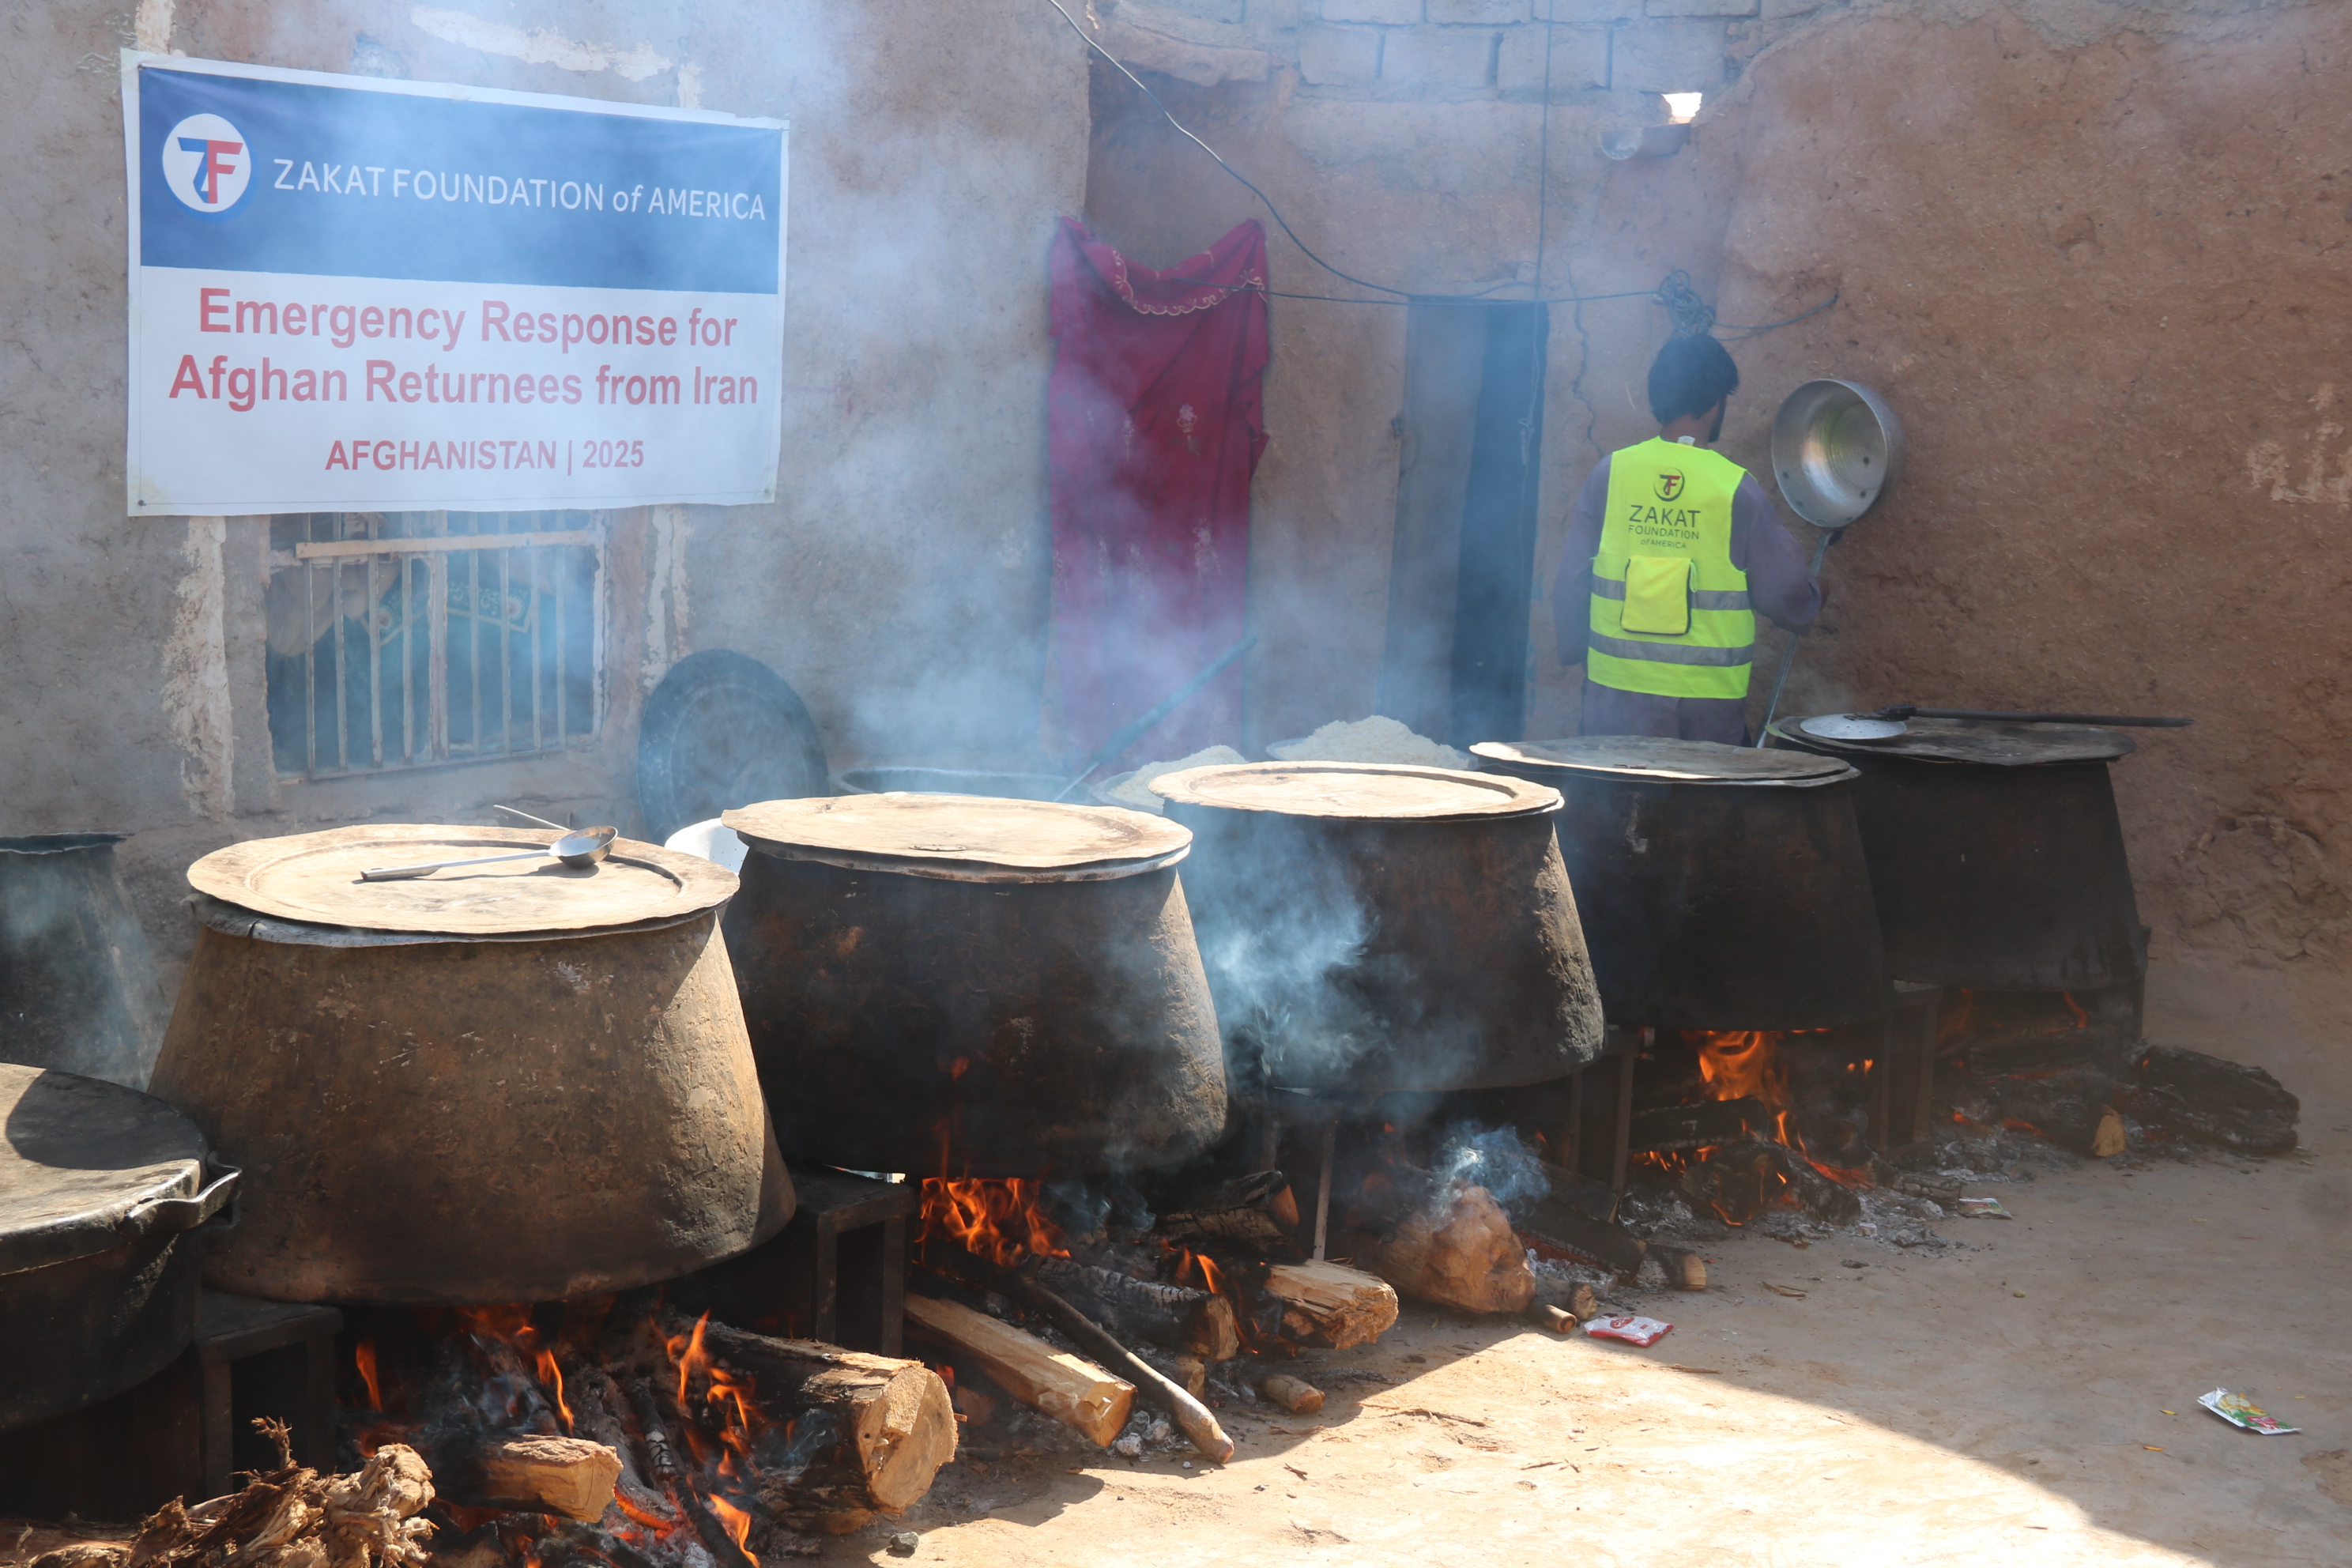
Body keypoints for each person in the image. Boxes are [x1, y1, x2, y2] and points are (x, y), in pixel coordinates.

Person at [1551, 334, 1822, 745]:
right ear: (1715, 403)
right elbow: (1783, 593)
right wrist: (1815, 596)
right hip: (1703, 709)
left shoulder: (1610, 475)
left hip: (1614, 699)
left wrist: (1577, 651)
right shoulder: (1733, 488)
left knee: (1611, 803)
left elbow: (1572, 578)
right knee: (1700, 808)